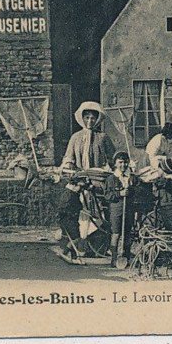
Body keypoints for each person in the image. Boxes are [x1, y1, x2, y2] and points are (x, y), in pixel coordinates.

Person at [57, 101, 115, 264]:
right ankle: (77, 245)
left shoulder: (103, 138)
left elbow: (113, 159)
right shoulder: (75, 138)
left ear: (97, 120)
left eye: (92, 118)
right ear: (82, 119)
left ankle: (98, 247)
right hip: (80, 180)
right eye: (87, 117)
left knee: (98, 213)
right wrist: (68, 166)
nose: (89, 121)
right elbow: (69, 158)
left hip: (98, 181)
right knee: (73, 210)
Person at [103, 151, 135, 269]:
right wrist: (119, 193)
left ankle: (126, 257)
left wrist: (130, 189)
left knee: (127, 234)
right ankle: (114, 258)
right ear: (116, 164)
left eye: (125, 162)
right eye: (120, 162)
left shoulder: (131, 177)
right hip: (116, 210)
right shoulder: (111, 178)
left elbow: (136, 191)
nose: (123, 165)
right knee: (116, 234)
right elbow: (107, 195)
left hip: (129, 209)